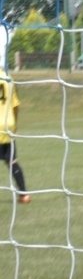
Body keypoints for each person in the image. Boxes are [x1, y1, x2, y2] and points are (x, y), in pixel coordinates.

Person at [0, 72, 28, 203]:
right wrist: (15, 124)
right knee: (11, 161)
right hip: (8, 125)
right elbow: (16, 105)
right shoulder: (8, 77)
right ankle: (24, 194)